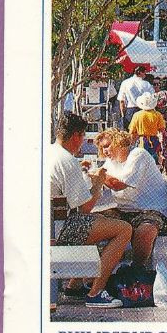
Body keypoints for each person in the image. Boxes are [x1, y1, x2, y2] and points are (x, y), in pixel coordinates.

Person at [48, 112, 131, 308]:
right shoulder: (67, 161)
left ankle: (73, 286)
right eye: (83, 136)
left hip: (47, 225)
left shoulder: (50, 152)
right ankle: (96, 293)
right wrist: (99, 183)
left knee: (101, 221)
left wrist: (80, 170)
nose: (83, 141)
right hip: (59, 232)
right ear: (76, 135)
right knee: (123, 229)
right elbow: (85, 208)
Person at [95, 127, 167, 269]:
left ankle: (137, 270)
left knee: (144, 231)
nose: (105, 151)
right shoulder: (111, 161)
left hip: (150, 209)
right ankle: (97, 271)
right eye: (102, 148)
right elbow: (103, 181)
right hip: (125, 210)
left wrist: (96, 174)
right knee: (91, 222)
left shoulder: (138, 155)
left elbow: (117, 185)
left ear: (118, 142)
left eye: (107, 146)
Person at [127, 93, 165, 165]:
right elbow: (161, 130)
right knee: (153, 161)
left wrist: (131, 142)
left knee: (142, 161)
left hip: (142, 140)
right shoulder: (158, 114)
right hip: (154, 140)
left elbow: (132, 131)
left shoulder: (137, 115)